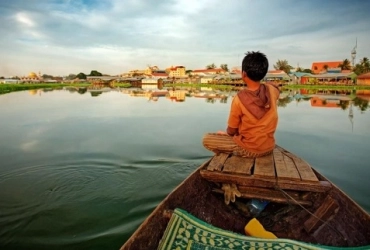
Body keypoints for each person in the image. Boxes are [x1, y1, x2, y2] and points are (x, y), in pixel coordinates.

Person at [202, 51, 280, 158]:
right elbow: (276, 86)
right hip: (269, 147)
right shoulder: (272, 91)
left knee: (207, 139)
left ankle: (231, 153)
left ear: (243, 74)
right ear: (264, 73)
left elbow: (231, 130)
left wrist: (227, 136)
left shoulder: (239, 98)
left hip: (248, 150)